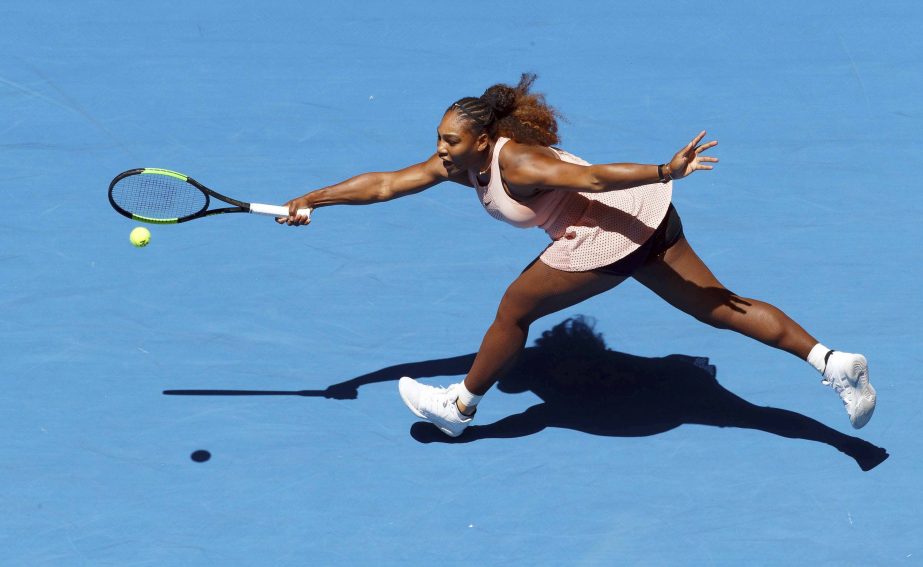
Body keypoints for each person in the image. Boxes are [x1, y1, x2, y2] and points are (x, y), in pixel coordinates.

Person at [278, 73, 876, 438]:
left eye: (451, 140)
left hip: (605, 228)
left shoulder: (518, 162)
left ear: (483, 141)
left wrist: (667, 168)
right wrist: (314, 199)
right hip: (647, 217)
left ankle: (460, 405)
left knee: (514, 310)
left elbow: (592, 180)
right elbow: (384, 183)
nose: (440, 148)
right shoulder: (461, 164)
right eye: (439, 138)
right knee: (719, 307)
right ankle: (831, 361)